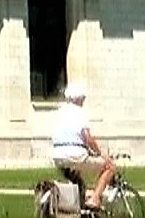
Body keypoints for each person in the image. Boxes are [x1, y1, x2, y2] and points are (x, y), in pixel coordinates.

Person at [50, 80, 117, 210]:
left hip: (58, 155)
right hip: (74, 154)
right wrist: (100, 153)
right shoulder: (79, 112)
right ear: (79, 99)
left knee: (79, 182)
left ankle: (81, 215)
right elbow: (88, 138)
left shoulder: (60, 111)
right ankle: (95, 198)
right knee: (110, 167)